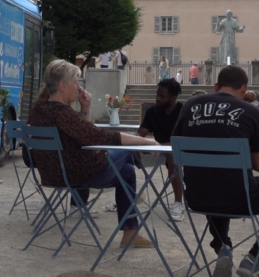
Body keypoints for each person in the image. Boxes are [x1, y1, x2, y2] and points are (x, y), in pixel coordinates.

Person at [172, 66, 259, 277]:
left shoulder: (190, 105)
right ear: (245, 88)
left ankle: (223, 247)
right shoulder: (251, 112)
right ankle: (254, 259)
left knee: (213, 183)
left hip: (197, 197)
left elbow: (176, 145)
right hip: (240, 198)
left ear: (215, 87)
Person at [26, 59, 160, 248]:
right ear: (63, 86)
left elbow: (85, 136)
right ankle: (135, 200)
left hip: (52, 175)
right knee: (126, 152)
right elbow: (99, 137)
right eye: (75, 82)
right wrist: (146, 142)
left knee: (127, 172)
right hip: (80, 174)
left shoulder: (37, 110)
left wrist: (85, 108)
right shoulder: (62, 113)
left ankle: (130, 233)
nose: (78, 87)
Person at [138, 79, 185, 222]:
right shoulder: (152, 111)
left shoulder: (183, 111)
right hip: (157, 150)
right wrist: (143, 143)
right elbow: (141, 134)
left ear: (173, 97)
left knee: (172, 155)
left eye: (162, 96)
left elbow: (184, 140)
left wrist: (160, 145)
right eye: (157, 95)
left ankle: (178, 203)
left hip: (179, 151)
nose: (158, 98)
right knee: (126, 153)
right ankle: (126, 198)